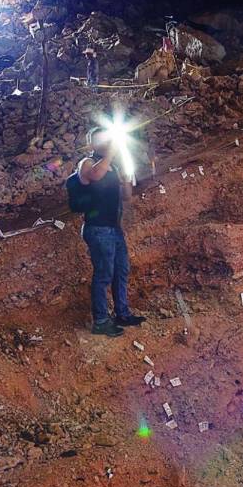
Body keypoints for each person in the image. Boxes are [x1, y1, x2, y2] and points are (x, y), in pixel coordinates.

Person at [74, 126, 145, 336]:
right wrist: (113, 152)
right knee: (104, 274)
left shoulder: (112, 166)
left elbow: (126, 196)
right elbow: (95, 175)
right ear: (90, 145)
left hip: (114, 229)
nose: (106, 144)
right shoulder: (86, 163)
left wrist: (126, 179)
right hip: (98, 229)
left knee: (121, 271)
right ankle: (101, 321)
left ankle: (122, 313)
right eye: (101, 140)